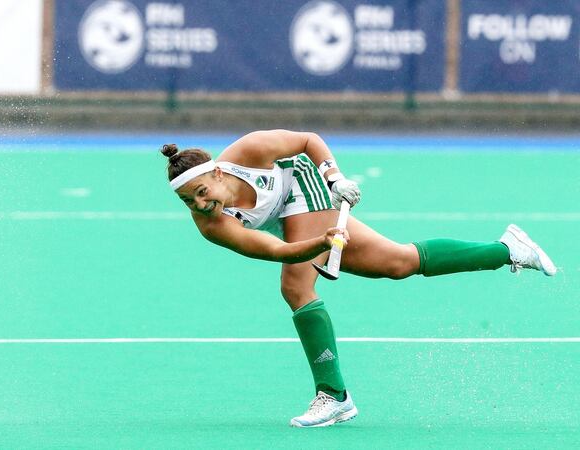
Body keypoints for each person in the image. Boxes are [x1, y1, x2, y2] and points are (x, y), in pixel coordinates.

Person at [160, 129, 556, 428]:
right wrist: (323, 240)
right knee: (399, 263)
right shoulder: (210, 225)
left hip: (304, 183)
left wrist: (335, 179)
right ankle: (507, 250)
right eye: (188, 201)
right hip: (289, 222)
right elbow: (279, 251)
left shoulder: (248, 151)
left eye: (201, 191)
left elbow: (307, 141)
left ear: (214, 171)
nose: (199, 203)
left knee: (296, 287)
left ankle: (333, 395)